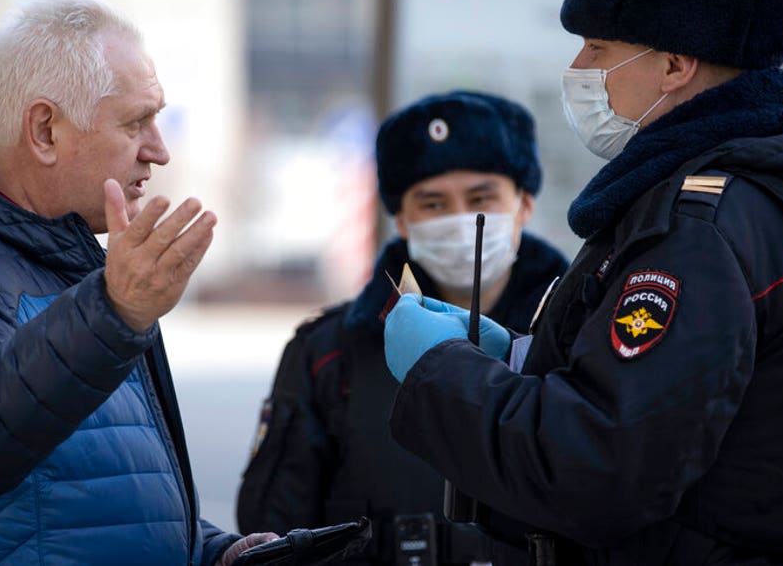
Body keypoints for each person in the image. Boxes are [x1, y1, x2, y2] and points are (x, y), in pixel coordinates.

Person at [382, 0, 783, 565]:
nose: (578, 65)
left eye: (597, 46)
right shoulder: (773, 196)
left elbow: (597, 465)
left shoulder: (703, 227)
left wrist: (442, 369)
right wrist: (518, 357)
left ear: (675, 65)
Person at [0, 0, 275, 565]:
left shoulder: (67, 258)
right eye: (137, 122)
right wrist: (116, 311)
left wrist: (215, 551)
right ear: (44, 130)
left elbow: (97, 490)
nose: (158, 152)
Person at [236, 91, 569, 565]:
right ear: (402, 220)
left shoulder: (578, 337)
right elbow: (272, 529)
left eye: (481, 197)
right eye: (432, 203)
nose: (458, 219)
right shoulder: (329, 352)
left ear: (525, 203)